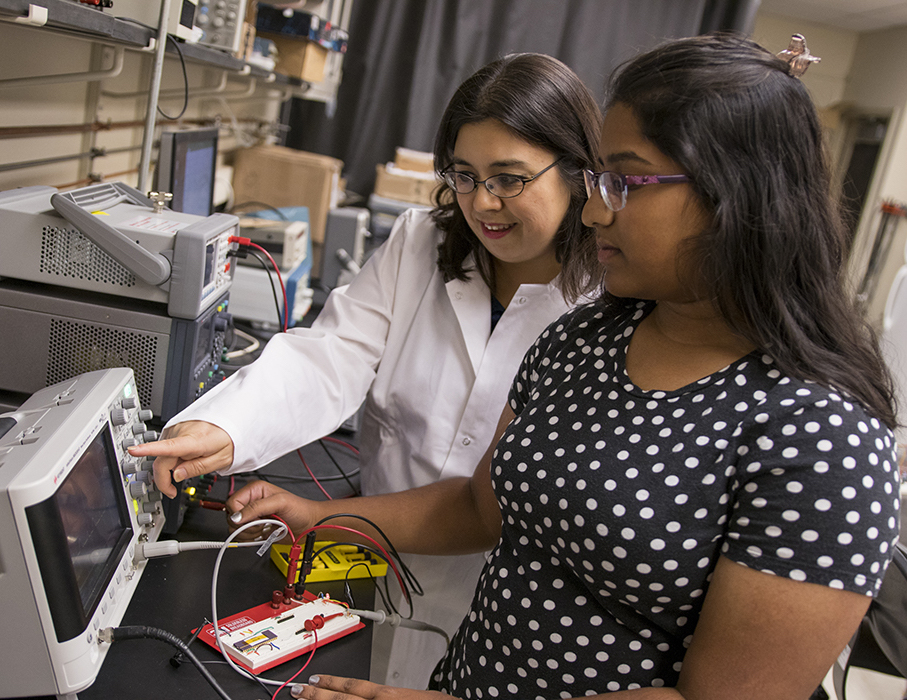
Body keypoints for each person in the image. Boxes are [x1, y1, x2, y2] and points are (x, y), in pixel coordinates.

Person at [222, 33, 902, 700]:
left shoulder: (823, 439)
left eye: (626, 182)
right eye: (599, 178)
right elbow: (475, 506)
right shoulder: (585, 341)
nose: (596, 206)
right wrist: (318, 518)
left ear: (736, 197)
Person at [129, 53, 603, 689]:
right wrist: (225, 427)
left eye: (510, 178)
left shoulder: (608, 301)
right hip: (379, 564)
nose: (482, 202)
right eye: (463, 175)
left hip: (509, 606)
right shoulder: (421, 244)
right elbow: (332, 356)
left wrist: (313, 515)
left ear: (576, 171)